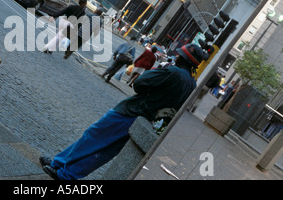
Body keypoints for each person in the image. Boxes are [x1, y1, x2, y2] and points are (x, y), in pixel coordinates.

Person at [40, 43, 208, 180]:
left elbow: (140, 83)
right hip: (147, 121)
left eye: (179, 55)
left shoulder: (172, 71)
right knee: (106, 151)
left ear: (182, 58)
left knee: (92, 136)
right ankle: (69, 174)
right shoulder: (191, 84)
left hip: (131, 111)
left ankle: (58, 163)